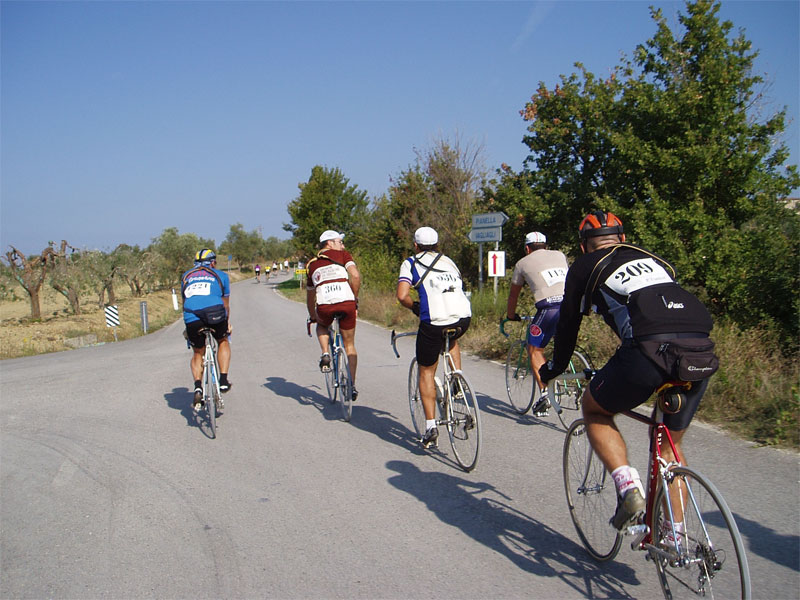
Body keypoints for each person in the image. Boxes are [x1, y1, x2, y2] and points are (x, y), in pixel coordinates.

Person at [539, 210, 715, 531]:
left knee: (594, 409)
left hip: (646, 351)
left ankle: (628, 488)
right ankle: (674, 536)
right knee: (668, 447)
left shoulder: (584, 266)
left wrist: (554, 368)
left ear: (584, 246)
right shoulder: (654, 259)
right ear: (622, 238)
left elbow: (567, 326)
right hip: (699, 349)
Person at [396, 226, 472, 449]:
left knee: (426, 370)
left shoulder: (410, 263)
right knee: (452, 339)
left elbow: (402, 296)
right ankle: (456, 379)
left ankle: (430, 427)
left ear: (416, 245)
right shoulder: (449, 261)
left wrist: (415, 307)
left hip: (434, 322)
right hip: (463, 318)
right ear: (438, 245)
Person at [505, 231, 568, 416]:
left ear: (527, 248)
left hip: (549, 309)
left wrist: (510, 315)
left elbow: (513, 294)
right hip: (571, 306)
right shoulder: (560, 255)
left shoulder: (522, 263)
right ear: (546, 246)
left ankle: (545, 394)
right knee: (563, 342)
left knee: (535, 349)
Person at [306, 230, 362, 400]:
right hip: (346, 302)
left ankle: (325, 353)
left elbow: (310, 295)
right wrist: (355, 298)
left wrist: (312, 315)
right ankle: (351, 385)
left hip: (324, 305)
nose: (343, 245)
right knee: (350, 345)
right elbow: (355, 275)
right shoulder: (344, 255)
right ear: (329, 243)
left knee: (322, 324)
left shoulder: (311, 264)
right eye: (340, 242)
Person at [181, 249, 233, 411]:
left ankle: (198, 386)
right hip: (215, 313)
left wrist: (187, 328)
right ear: (213, 262)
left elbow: (185, 301)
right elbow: (225, 305)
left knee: (198, 352)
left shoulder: (186, 276)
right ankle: (223, 380)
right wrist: (227, 324)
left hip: (191, 315)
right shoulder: (221, 276)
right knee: (223, 340)